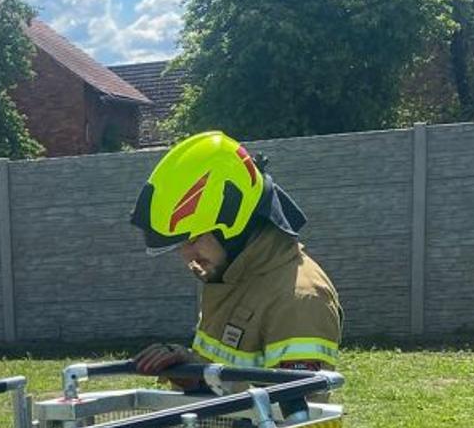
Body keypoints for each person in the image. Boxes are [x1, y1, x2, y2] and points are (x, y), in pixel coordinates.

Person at [126, 131, 342, 383]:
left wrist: (202, 378)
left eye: (194, 240)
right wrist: (193, 369)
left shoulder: (300, 299)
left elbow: (297, 412)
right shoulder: (232, 278)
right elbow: (227, 375)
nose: (187, 257)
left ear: (235, 222)